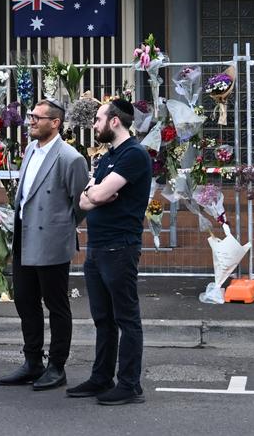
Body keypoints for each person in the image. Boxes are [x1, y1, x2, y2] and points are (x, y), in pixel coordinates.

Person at [0, 98, 88, 390]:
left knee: (56, 304)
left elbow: (81, 203)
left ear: (55, 123)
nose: (31, 121)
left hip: (52, 240)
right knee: (25, 301)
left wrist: (59, 226)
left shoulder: (70, 157)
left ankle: (57, 366)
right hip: (24, 237)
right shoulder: (29, 150)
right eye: (31, 116)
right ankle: (32, 361)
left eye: (37, 117)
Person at [68, 98, 151, 405]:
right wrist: (97, 194)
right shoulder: (107, 157)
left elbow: (98, 192)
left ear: (115, 121)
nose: (95, 124)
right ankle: (102, 378)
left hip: (120, 248)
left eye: (99, 119)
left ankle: (129, 385)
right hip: (97, 247)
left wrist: (98, 194)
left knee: (127, 319)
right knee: (103, 318)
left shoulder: (134, 155)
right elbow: (85, 200)